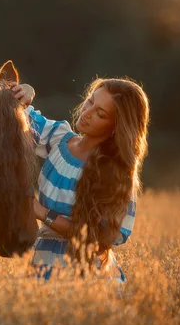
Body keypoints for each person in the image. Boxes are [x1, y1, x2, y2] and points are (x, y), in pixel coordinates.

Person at [11, 78, 150, 281]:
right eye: (91, 102)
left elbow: (101, 238)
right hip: (42, 264)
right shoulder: (59, 138)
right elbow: (20, 116)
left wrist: (42, 213)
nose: (87, 113)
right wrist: (25, 91)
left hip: (89, 279)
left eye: (100, 114)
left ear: (115, 128)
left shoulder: (116, 175)